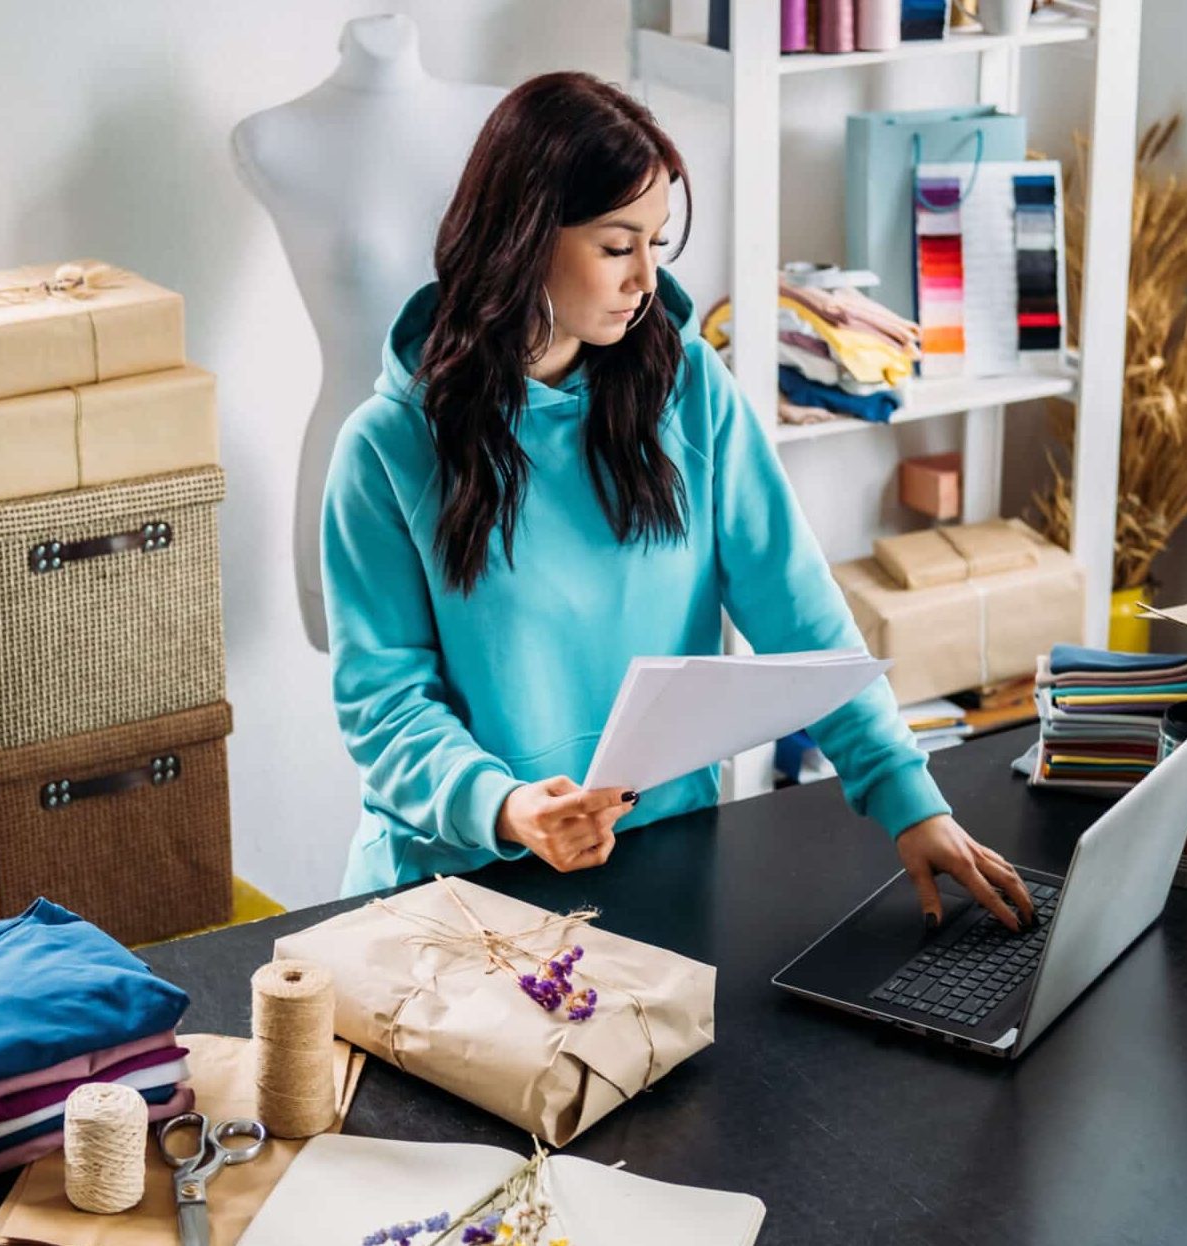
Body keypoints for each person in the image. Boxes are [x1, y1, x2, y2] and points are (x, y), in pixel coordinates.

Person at [320, 71, 1035, 932]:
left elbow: (799, 616)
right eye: (618, 246)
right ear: (522, 238)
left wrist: (908, 800)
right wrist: (508, 807)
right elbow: (386, 706)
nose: (646, 279)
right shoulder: (385, 450)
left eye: (658, 244)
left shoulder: (691, 390)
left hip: (662, 858)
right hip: (459, 885)